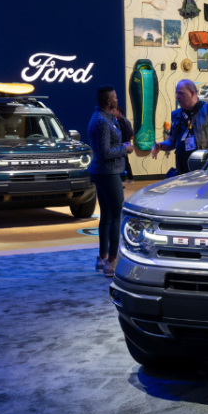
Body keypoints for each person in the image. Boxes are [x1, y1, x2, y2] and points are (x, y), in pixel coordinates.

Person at [88, 85, 134, 277]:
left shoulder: (105, 118)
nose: (117, 99)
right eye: (115, 97)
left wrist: (121, 145)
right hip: (107, 173)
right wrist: (126, 149)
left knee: (106, 216)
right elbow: (105, 153)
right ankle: (111, 262)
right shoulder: (101, 121)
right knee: (116, 216)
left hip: (105, 172)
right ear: (108, 101)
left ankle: (102, 258)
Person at [151, 80, 208, 174]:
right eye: (176, 93)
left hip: (206, 172)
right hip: (183, 173)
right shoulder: (177, 115)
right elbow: (171, 141)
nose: (177, 97)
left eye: (180, 93)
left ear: (192, 93)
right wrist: (161, 145)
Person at [111, 104, 135, 183]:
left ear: (119, 112)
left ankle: (130, 178)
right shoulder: (120, 120)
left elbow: (129, 133)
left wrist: (125, 144)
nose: (113, 112)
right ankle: (130, 177)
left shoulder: (122, 121)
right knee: (125, 160)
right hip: (124, 143)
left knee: (125, 160)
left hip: (124, 143)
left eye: (115, 111)